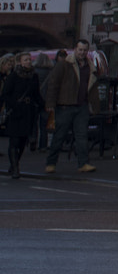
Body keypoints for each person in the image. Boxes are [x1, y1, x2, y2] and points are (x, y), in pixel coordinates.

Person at [41, 41, 97, 176]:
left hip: (82, 105)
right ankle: (51, 163)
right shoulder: (64, 65)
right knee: (59, 135)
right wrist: (50, 103)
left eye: (84, 50)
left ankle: (83, 163)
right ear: (75, 50)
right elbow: (53, 84)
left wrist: (94, 105)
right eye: (80, 50)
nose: (82, 52)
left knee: (82, 136)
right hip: (65, 105)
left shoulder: (89, 66)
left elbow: (92, 87)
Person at [2, 54, 43, 178]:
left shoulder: (33, 77)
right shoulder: (13, 76)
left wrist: (44, 105)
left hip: (28, 113)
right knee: (14, 141)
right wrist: (14, 105)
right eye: (26, 60)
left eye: (30, 60)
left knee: (23, 141)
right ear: (19, 62)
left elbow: (36, 94)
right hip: (15, 112)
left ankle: (15, 163)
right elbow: (6, 94)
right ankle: (15, 168)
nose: (29, 62)